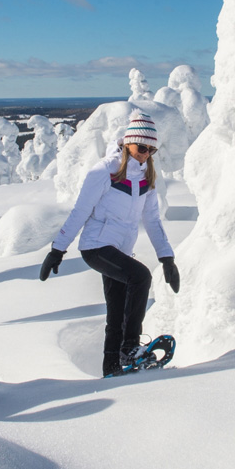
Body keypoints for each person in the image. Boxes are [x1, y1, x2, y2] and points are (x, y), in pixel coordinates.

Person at [39, 111, 180, 377]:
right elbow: (80, 211)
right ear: (127, 144)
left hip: (119, 251)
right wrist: (57, 250)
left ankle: (111, 369)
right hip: (96, 247)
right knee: (140, 276)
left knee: (116, 315)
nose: (145, 154)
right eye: (141, 148)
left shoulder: (146, 178)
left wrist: (167, 258)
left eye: (151, 150)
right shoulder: (105, 171)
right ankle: (129, 347)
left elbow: (152, 220)